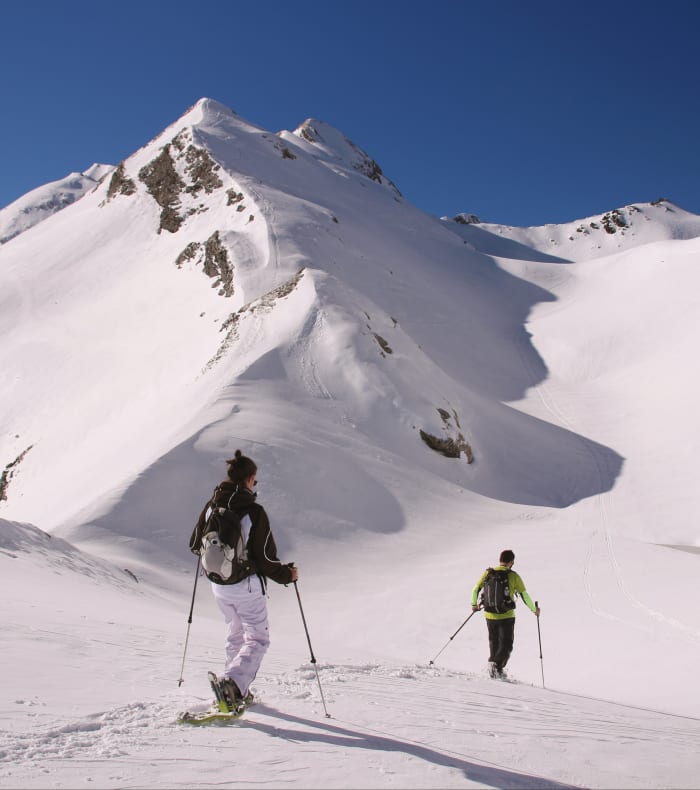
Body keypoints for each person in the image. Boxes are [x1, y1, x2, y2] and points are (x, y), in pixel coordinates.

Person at [190, 450, 297, 708]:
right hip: (245, 585)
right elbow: (264, 558)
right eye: (255, 481)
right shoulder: (254, 512)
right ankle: (235, 686)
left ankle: (232, 685)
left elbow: (194, 543)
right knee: (257, 638)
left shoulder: (211, 506)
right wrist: (288, 575)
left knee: (235, 634)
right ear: (249, 480)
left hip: (218, 584)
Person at [471, 549, 539, 679]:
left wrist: (474, 605)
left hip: (489, 615)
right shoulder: (513, 575)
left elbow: (475, 589)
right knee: (507, 645)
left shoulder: (488, 573)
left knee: (494, 643)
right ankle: (496, 667)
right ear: (511, 562)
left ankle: (494, 671)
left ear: (500, 560)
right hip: (507, 616)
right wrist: (534, 610)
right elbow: (524, 596)